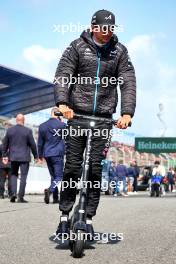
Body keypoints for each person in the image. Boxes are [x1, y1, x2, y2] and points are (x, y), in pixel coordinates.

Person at [54, 9, 136, 236]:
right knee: (72, 167)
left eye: (111, 29)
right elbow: (63, 74)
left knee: (94, 170)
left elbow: (128, 81)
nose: (107, 33)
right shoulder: (76, 47)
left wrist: (127, 113)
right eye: (103, 28)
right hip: (77, 115)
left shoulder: (119, 52)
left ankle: (88, 217)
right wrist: (62, 103)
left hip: (103, 119)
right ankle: (64, 214)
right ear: (93, 27)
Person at [2, 114, 38, 203]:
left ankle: (13, 194)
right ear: (23, 120)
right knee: (23, 177)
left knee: (14, 175)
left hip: (13, 157)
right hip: (24, 157)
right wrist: (36, 156)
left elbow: (5, 143)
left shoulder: (10, 130)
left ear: (16, 120)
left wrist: (4, 155)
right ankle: (20, 197)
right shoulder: (28, 131)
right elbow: (33, 145)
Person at [38, 107, 66, 204]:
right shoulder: (62, 125)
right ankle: (49, 190)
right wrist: (62, 121)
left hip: (47, 154)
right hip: (57, 154)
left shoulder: (42, 126)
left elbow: (40, 143)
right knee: (59, 176)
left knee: (53, 176)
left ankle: (55, 198)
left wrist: (40, 156)